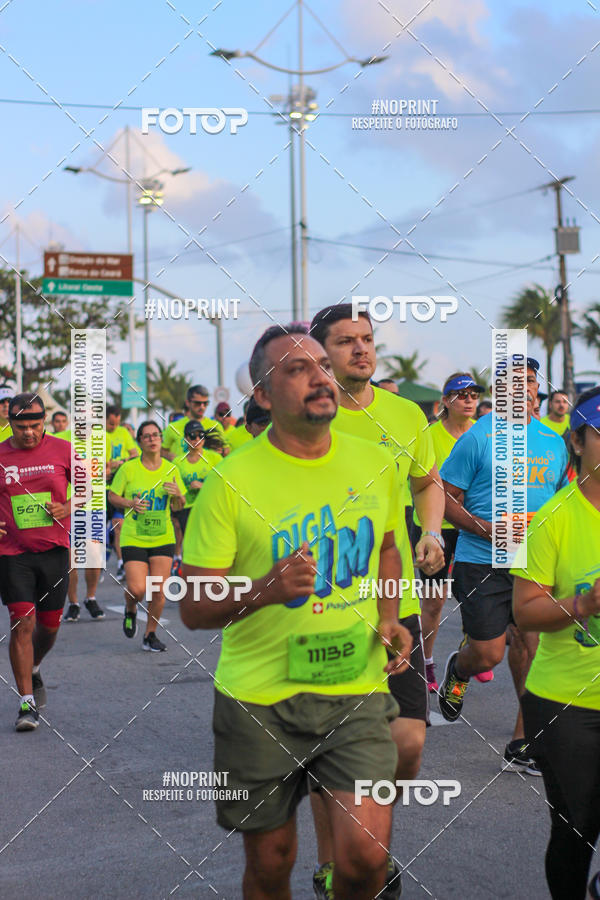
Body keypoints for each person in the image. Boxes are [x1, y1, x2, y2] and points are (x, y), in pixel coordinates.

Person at [181, 324, 412, 900]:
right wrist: (264, 588)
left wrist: (390, 617)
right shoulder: (230, 483)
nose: (320, 378)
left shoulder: (375, 464)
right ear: (262, 395)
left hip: (355, 690)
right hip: (257, 702)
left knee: (365, 859)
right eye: (297, 369)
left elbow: (386, 545)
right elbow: (193, 607)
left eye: (323, 366)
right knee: (271, 863)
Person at [309, 304, 444, 897]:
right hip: (325, 600)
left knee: (408, 741)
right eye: (345, 342)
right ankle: (340, 860)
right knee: (331, 743)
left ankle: (364, 840)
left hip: (393, 595)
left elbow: (424, 482)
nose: (361, 350)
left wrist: (433, 530)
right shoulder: (308, 416)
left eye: (367, 339)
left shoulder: (405, 413)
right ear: (321, 354)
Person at [438, 358, 569, 774]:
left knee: (532, 647)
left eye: (531, 382)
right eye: (516, 384)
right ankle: (458, 669)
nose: (526, 390)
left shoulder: (553, 441)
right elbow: (445, 496)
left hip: (535, 562)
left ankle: (524, 742)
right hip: (482, 561)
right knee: (489, 653)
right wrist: (484, 529)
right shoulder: (478, 438)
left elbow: (564, 500)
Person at [512, 386, 600, 900]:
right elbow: (525, 611)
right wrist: (585, 605)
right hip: (568, 701)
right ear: (577, 442)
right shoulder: (552, 518)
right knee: (575, 830)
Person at [411, 373, 489, 692]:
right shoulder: (429, 435)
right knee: (434, 603)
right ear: (445, 401)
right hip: (437, 528)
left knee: (476, 596)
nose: (469, 399)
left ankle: (473, 648)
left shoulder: (483, 434)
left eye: (473, 394)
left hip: (472, 528)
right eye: (461, 394)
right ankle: (427, 661)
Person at [0, 393, 71, 730]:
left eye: (35, 425)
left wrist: (67, 508)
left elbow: (91, 488)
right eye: (21, 425)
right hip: (12, 554)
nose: (28, 432)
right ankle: (26, 704)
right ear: (9, 422)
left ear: (44, 421)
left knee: (50, 628)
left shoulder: (63, 449)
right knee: (22, 623)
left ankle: (35, 666)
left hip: (55, 552)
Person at [108, 421, 185, 652]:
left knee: (158, 591)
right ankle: (131, 608)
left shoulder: (171, 469)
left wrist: (178, 495)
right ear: (140, 442)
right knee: (137, 589)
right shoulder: (129, 469)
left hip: (162, 537)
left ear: (161, 439)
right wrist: (130, 503)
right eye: (147, 436)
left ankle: (150, 634)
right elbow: (112, 496)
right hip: (135, 536)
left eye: (156, 435)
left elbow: (179, 507)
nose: (152, 439)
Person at [52, 429, 104, 621]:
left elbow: (103, 469)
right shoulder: (62, 440)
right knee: (71, 558)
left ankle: (90, 598)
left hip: (95, 506)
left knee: (93, 554)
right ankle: (73, 603)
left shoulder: (101, 440)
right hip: (69, 505)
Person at [106, 405, 139, 582]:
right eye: (111, 423)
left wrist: (121, 462)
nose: (114, 427)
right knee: (97, 530)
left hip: (118, 487)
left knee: (119, 525)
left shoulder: (123, 433)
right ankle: (98, 562)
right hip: (99, 489)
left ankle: (120, 563)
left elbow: (134, 455)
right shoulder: (97, 435)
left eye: (117, 423)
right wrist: (111, 465)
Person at [173, 421, 222, 537]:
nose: (197, 439)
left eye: (201, 435)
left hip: (210, 507)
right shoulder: (177, 462)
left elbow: (224, 484)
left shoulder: (215, 458)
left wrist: (203, 486)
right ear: (185, 439)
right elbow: (174, 489)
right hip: (187, 510)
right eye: (192, 436)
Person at [161, 385, 227, 461]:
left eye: (205, 403)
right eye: (197, 403)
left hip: (209, 472)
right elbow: (162, 451)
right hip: (183, 471)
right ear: (188, 403)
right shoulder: (173, 427)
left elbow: (226, 450)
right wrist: (174, 458)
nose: (202, 407)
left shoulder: (216, 426)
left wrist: (220, 452)